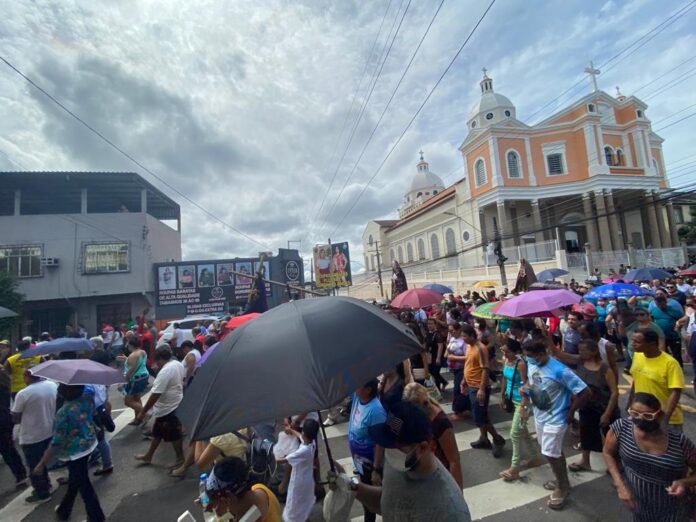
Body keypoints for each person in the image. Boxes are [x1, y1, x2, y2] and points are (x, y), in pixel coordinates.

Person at [336, 401, 472, 522]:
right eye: (387, 445)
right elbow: (389, 503)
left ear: (423, 447)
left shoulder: (450, 512)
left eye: (397, 447)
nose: (389, 451)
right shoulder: (398, 465)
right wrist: (350, 485)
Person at [604, 392, 696, 521]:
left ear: (659, 416)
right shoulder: (621, 428)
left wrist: (684, 482)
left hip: (672, 512)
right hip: (637, 509)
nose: (639, 420)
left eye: (647, 416)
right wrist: (620, 485)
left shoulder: (679, 442)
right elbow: (608, 453)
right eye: (634, 414)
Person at [521, 341, 590, 510]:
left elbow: (585, 393)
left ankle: (562, 487)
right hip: (540, 417)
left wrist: (570, 412)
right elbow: (534, 384)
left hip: (557, 419)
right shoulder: (531, 364)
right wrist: (526, 390)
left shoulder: (560, 370)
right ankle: (561, 479)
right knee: (551, 452)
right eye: (527, 356)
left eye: (531, 356)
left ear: (542, 353)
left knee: (551, 453)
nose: (529, 360)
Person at [32, 384, 105, 521]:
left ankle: (96, 517)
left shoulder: (63, 412)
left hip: (74, 452)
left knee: (84, 486)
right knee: (76, 480)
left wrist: (41, 464)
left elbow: (56, 442)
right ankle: (64, 510)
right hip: (89, 443)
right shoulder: (87, 399)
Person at [570, 340, 620, 472]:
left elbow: (614, 392)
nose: (581, 353)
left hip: (605, 407)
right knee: (586, 434)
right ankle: (585, 461)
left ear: (594, 351)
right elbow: (559, 354)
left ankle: (615, 465)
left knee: (611, 438)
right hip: (587, 406)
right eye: (579, 350)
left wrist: (607, 414)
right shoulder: (580, 362)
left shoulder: (604, 368)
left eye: (584, 350)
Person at [402, 382, 463, 488]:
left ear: (425, 404)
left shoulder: (440, 423)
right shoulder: (418, 415)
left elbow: (454, 461)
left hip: (440, 477)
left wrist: (458, 494)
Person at [134, 345, 186, 467]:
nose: (157, 364)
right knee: (157, 433)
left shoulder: (166, 371)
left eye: (157, 361)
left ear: (161, 359)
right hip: (172, 404)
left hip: (169, 408)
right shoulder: (177, 364)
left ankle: (180, 458)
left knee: (174, 435)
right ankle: (149, 456)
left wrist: (143, 411)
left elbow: (155, 394)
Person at [498, 339, 542, 482]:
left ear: (515, 352)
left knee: (515, 433)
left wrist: (523, 407)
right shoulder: (507, 361)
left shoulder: (521, 364)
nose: (504, 353)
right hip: (512, 399)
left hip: (522, 402)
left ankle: (514, 469)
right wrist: (502, 395)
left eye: (507, 351)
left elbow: (527, 384)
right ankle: (535, 458)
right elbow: (505, 378)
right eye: (503, 351)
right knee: (523, 432)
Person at [11, 368, 58, 503]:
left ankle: (42, 492)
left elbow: (16, 417)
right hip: (48, 430)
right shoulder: (51, 385)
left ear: (27, 376)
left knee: (34, 464)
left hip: (32, 435)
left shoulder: (23, 394)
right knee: (43, 460)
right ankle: (46, 483)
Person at [460, 324, 505, 457]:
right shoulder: (469, 347)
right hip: (471, 385)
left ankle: (497, 439)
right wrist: (464, 380)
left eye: (465, 336)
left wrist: (481, 389)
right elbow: (468, 364)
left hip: (479, 387)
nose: (463, 339)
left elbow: (485, 369)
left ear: (472, 336)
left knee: (481, 417)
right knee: (479, 416)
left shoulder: (481, 348)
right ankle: (484, 439)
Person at [628, 328, 684, 431]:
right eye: (633, 340)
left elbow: (676, 392)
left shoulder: (670, 363)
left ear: (652, 344)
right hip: (641, 415)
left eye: (637, 342)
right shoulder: (637, 356)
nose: (633, 344)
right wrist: (630, 404)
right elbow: (636, 381)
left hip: (663, 417)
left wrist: (665, 419)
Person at [348, 379, 386, 522]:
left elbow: (379, 443)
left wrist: (376, 470)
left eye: (359, 383)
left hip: (371, 464)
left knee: (373, 499)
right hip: (360, 462)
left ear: (368, 390)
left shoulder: (376, 411)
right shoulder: (358, 398)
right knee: (366, 499)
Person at [204, 456, 282, 522]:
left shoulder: (251, 518)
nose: (215, 508)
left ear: (226, 501)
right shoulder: (259, 488)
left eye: (217, 504)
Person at [280, 419, 320, 522]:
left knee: (295, 506)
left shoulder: (303, 451)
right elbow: (300, 436)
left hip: (299, 482)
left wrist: (270, 456)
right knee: (302, 505)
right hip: (307, 479)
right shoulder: (312, 443)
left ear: (304, 432)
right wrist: (291, 430)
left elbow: (283, 460)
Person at [0, 365, 27, 490]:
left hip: (3, 422)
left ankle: (21, 475)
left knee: (8, 450)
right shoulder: (5, 385)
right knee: (8, 449)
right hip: (5, 421)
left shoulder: (3, 386)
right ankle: (21, 475)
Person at [649, 294, 685, 366]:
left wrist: (678, 326)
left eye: (661, 304)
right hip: (661, 337)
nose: (659, 306)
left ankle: (679, 368)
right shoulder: (654, 310)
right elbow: (651, 319)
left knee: (676, 354)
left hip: (674, 336)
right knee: (663, 353)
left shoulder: (674, 311)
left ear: (665, 302)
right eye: (657, 304)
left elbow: (683, 320)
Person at [445, 323, 470, 422]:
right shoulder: (452, 338)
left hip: (462, 369)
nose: (451, 333)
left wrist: (453, 357)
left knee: (457, 390)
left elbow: (468, 357)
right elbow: (448, 348)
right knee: (460, 389)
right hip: (454, 368)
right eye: (449, 331)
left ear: (459, 330)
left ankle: (458, 412)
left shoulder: (464, 342)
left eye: (452, 331)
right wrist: (447, 353)